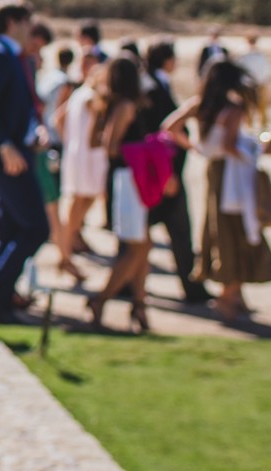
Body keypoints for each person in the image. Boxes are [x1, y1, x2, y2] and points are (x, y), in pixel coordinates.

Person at [168, 59, 271, 322]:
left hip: (213, 170)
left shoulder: (200, 104)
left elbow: (170, 127)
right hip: (231, 174)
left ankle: (235, 293)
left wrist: (196, 146)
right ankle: (228, 294)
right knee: (233, 227)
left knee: (219, 224)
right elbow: (230, 145)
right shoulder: (232, 109)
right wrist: (255, 150)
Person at [0, 0, 48, 324]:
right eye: (27, 22)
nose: (31, 29)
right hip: (9, 159)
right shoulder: (0, 56)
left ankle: (0, 300)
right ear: (12, 22)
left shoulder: (15, 58)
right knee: (36, 228)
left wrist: (35, 130)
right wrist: (5, 145)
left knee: (13, 226)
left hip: (19, 152)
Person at [84, 53, 155, 333]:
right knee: (137, 246)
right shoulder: (125, 105)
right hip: (128, 178)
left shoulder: (111, 104)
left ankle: (139, 303)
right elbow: (111, 146)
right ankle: (101, 299)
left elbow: (94, 140)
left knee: (142, 245)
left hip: (124, 178)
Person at [143, 40, 209, 305]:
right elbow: (156, 133)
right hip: (164, 173)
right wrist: (167, 173)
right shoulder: (153, 88)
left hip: (162, 172)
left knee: (162, 230)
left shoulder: (155, 84)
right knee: (179, 229)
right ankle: (192, 287)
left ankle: (191, 285)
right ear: (167, 60)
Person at [54, 61, 108, 284]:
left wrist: (70, 140)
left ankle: (68, 246)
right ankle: (65, 253)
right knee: (78, 204)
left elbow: (57, 118)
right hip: (87, 157)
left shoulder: (78, 94)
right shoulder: (89, 98)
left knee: (83, 201)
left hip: (79, 154)